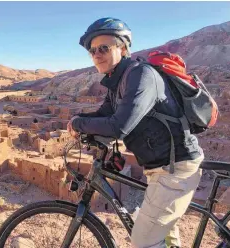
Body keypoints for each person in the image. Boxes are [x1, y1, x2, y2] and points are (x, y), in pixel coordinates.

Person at [67, 17, 204, 248]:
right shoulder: (118, 80)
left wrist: (79, 125)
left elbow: (119, 126)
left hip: (174, 168)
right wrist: (77, 120)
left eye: (103, 48)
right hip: (160, 168)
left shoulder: (140, 75)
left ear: (122, 48)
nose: (96, 54)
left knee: (143, 241)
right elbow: (105, 113)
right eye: (92, 50)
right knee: (164, 236)